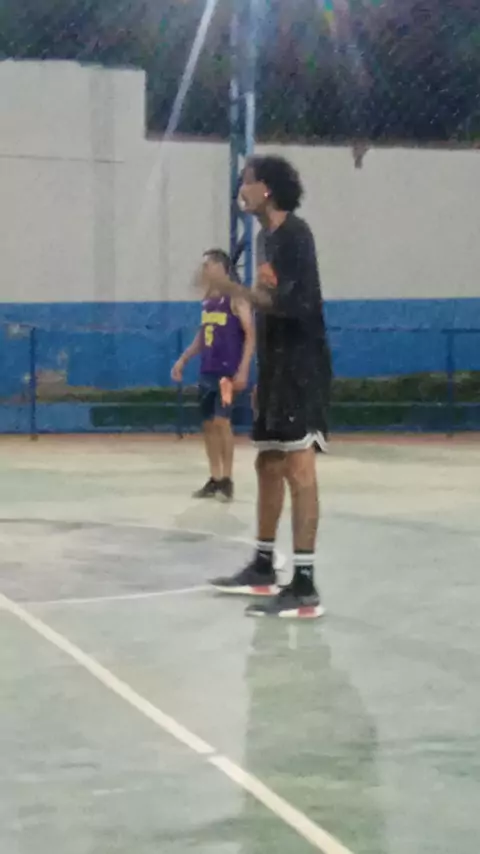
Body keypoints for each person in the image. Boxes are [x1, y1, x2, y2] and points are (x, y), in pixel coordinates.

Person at [201, 156, 332, 618]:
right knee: (267, 463)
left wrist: (229, 287)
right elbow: (265, 304)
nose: (242, 188)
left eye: (247, 181)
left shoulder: (296, 235)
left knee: (299, 467)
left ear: (268, 189)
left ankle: (305, 585)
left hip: (302, 366)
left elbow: (290, 304)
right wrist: (262, 375)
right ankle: (262, 566)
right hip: (277, 368)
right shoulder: (264, 239)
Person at [171, 249, 255, 502]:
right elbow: (202, 335)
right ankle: (215, 477)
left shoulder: (236, 297)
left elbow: (250, 334)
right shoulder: (208, 299)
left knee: (222, 421)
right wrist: (184, 359)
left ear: (220, 267)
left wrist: (243, 369)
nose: (204, 270)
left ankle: (227, 479)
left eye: (207, 265)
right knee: (208, 424)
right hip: (207, 371)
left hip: (227, 374)